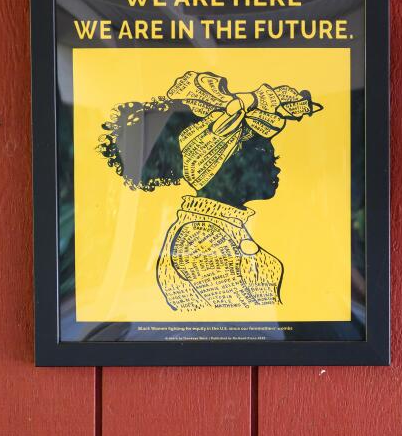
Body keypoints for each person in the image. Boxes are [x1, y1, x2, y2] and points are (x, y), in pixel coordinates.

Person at [98, 71, 322, 311]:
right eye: (264, 154)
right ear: (225, 165)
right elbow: (240, 326)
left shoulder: (215, 229)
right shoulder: (201, 239)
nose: (275, 163)